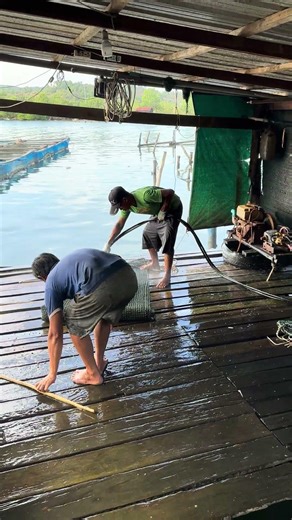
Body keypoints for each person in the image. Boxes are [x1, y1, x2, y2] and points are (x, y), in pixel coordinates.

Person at [31, 248, 138, 391]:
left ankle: (92, 373)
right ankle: (98, 362)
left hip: (103, 285)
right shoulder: (70, 262)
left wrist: (51, 374)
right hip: (128, 276)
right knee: (103, 316)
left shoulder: (51, 281)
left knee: (74, 322)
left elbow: (55, 334)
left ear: (42, 277)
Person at [104, 186, 183, 289]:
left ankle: (167, 275)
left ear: (125, 199)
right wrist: (108, 243)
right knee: (148, 233)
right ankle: (155, 263)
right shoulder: (127, 206)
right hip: (157, 211)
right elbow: (119, 224)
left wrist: (164, 209)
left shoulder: (146, 196)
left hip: (173, 208)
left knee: (167, 238)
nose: (120, 209)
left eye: (120, 206)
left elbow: (170, 192)